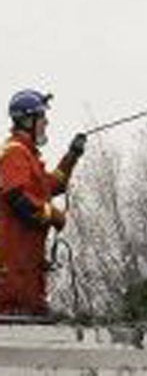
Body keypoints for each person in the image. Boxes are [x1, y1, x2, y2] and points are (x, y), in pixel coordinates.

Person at [0, 90, 84, 317]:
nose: (46, 123)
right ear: (28, 120)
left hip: (27, 268)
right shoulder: (14, 154)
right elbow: (19, 200)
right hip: (14, 272)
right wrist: (53, 215)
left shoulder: (27, 156)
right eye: (42, 117)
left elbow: (51, 185)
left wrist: (72, 156)